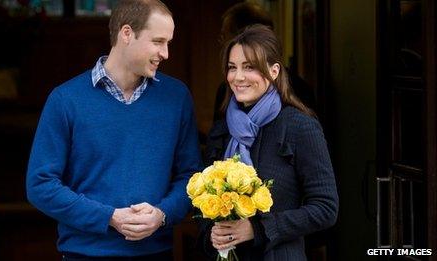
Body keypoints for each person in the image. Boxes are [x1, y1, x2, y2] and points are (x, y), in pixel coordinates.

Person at [26, 0, 202, 259]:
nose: (166, 53)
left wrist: (163, 215)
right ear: (127, 34)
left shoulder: (176, 98)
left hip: (156, 254)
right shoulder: (66, 100)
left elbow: (191, 176)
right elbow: (40, 185)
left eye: (168, 43)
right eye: (158, 41)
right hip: (84, 255)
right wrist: (109, 217)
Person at [198, 25, 338, 261]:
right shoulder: (222, 130)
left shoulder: (300, 126)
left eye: (249, 67)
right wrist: (211, 235)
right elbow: (202, 202)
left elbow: (326, 208)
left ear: (274, 71)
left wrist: (258, 229)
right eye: (232, 68)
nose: (238, 77)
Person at [213, 2, 315, 123]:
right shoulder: (226, 92)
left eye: (249, 67)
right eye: (232, 67)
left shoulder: (299, 94)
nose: (221, 42)